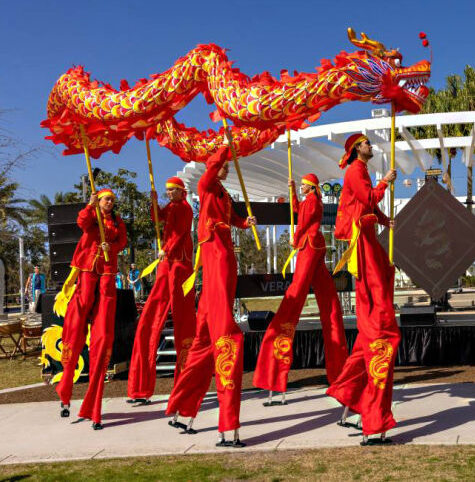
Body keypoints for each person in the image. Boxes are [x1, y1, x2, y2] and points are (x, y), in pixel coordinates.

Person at [165, 143, 256, 447]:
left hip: (225, 253)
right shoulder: (206, 186)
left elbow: (231, 218)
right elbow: (211, 171)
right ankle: (227, 426)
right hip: (213, 253)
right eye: (223, 165)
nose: (226, 168)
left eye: (227, 164)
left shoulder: (223, 193)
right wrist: (225, 148)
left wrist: (245, 223)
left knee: (203, 346)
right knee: (223, 334)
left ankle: (183, 408)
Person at [326, 133, 398, 445]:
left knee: (375, 325)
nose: (371, 146)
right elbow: (367, 199)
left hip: (368, 238)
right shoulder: (355, 171)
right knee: (379, 322)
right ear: (357, 148)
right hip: (362, 245)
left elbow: (366, 208)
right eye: (366, 143)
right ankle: (365, 411)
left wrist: (385, 219)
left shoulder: (361, 172)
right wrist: (385, 183)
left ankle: (348, 394)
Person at [253, 173, 348, 403]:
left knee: (295, 296)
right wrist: (293, 190)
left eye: (305, 185)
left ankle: (275, 366)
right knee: (330, 305)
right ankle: (339, 371)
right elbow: (298, 210)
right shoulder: (310, 201)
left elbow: (303, 220)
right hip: (314, 244)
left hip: (308, 244)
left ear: (312, 187)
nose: (304, 188)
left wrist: (296, 238)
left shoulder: (313, 201)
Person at [55, 188, 127, 430]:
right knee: (79, 314)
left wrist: (111, 249)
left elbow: (122, 242)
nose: (108, 203)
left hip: (106, 272)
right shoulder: (93, 216)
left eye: (111, 200)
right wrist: (90, 204)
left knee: (103, 337)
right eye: (106, 199)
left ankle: (94, 408)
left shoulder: (118, 222)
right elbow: (82, 223)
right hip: (87, 271)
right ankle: (64, 389)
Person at [127, 176, 196, 404]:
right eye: (167, 190)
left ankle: (187, 384)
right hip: (167, 263)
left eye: (171, 190)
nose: (169, 193)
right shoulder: (174, 206)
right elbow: (158, 218)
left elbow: (179, 233)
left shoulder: (185, 208)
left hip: (179, 262)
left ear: (180, 191)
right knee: (150, 318)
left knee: (182, 318)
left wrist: (165, 249)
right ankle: (140, 387)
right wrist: (154, 205)